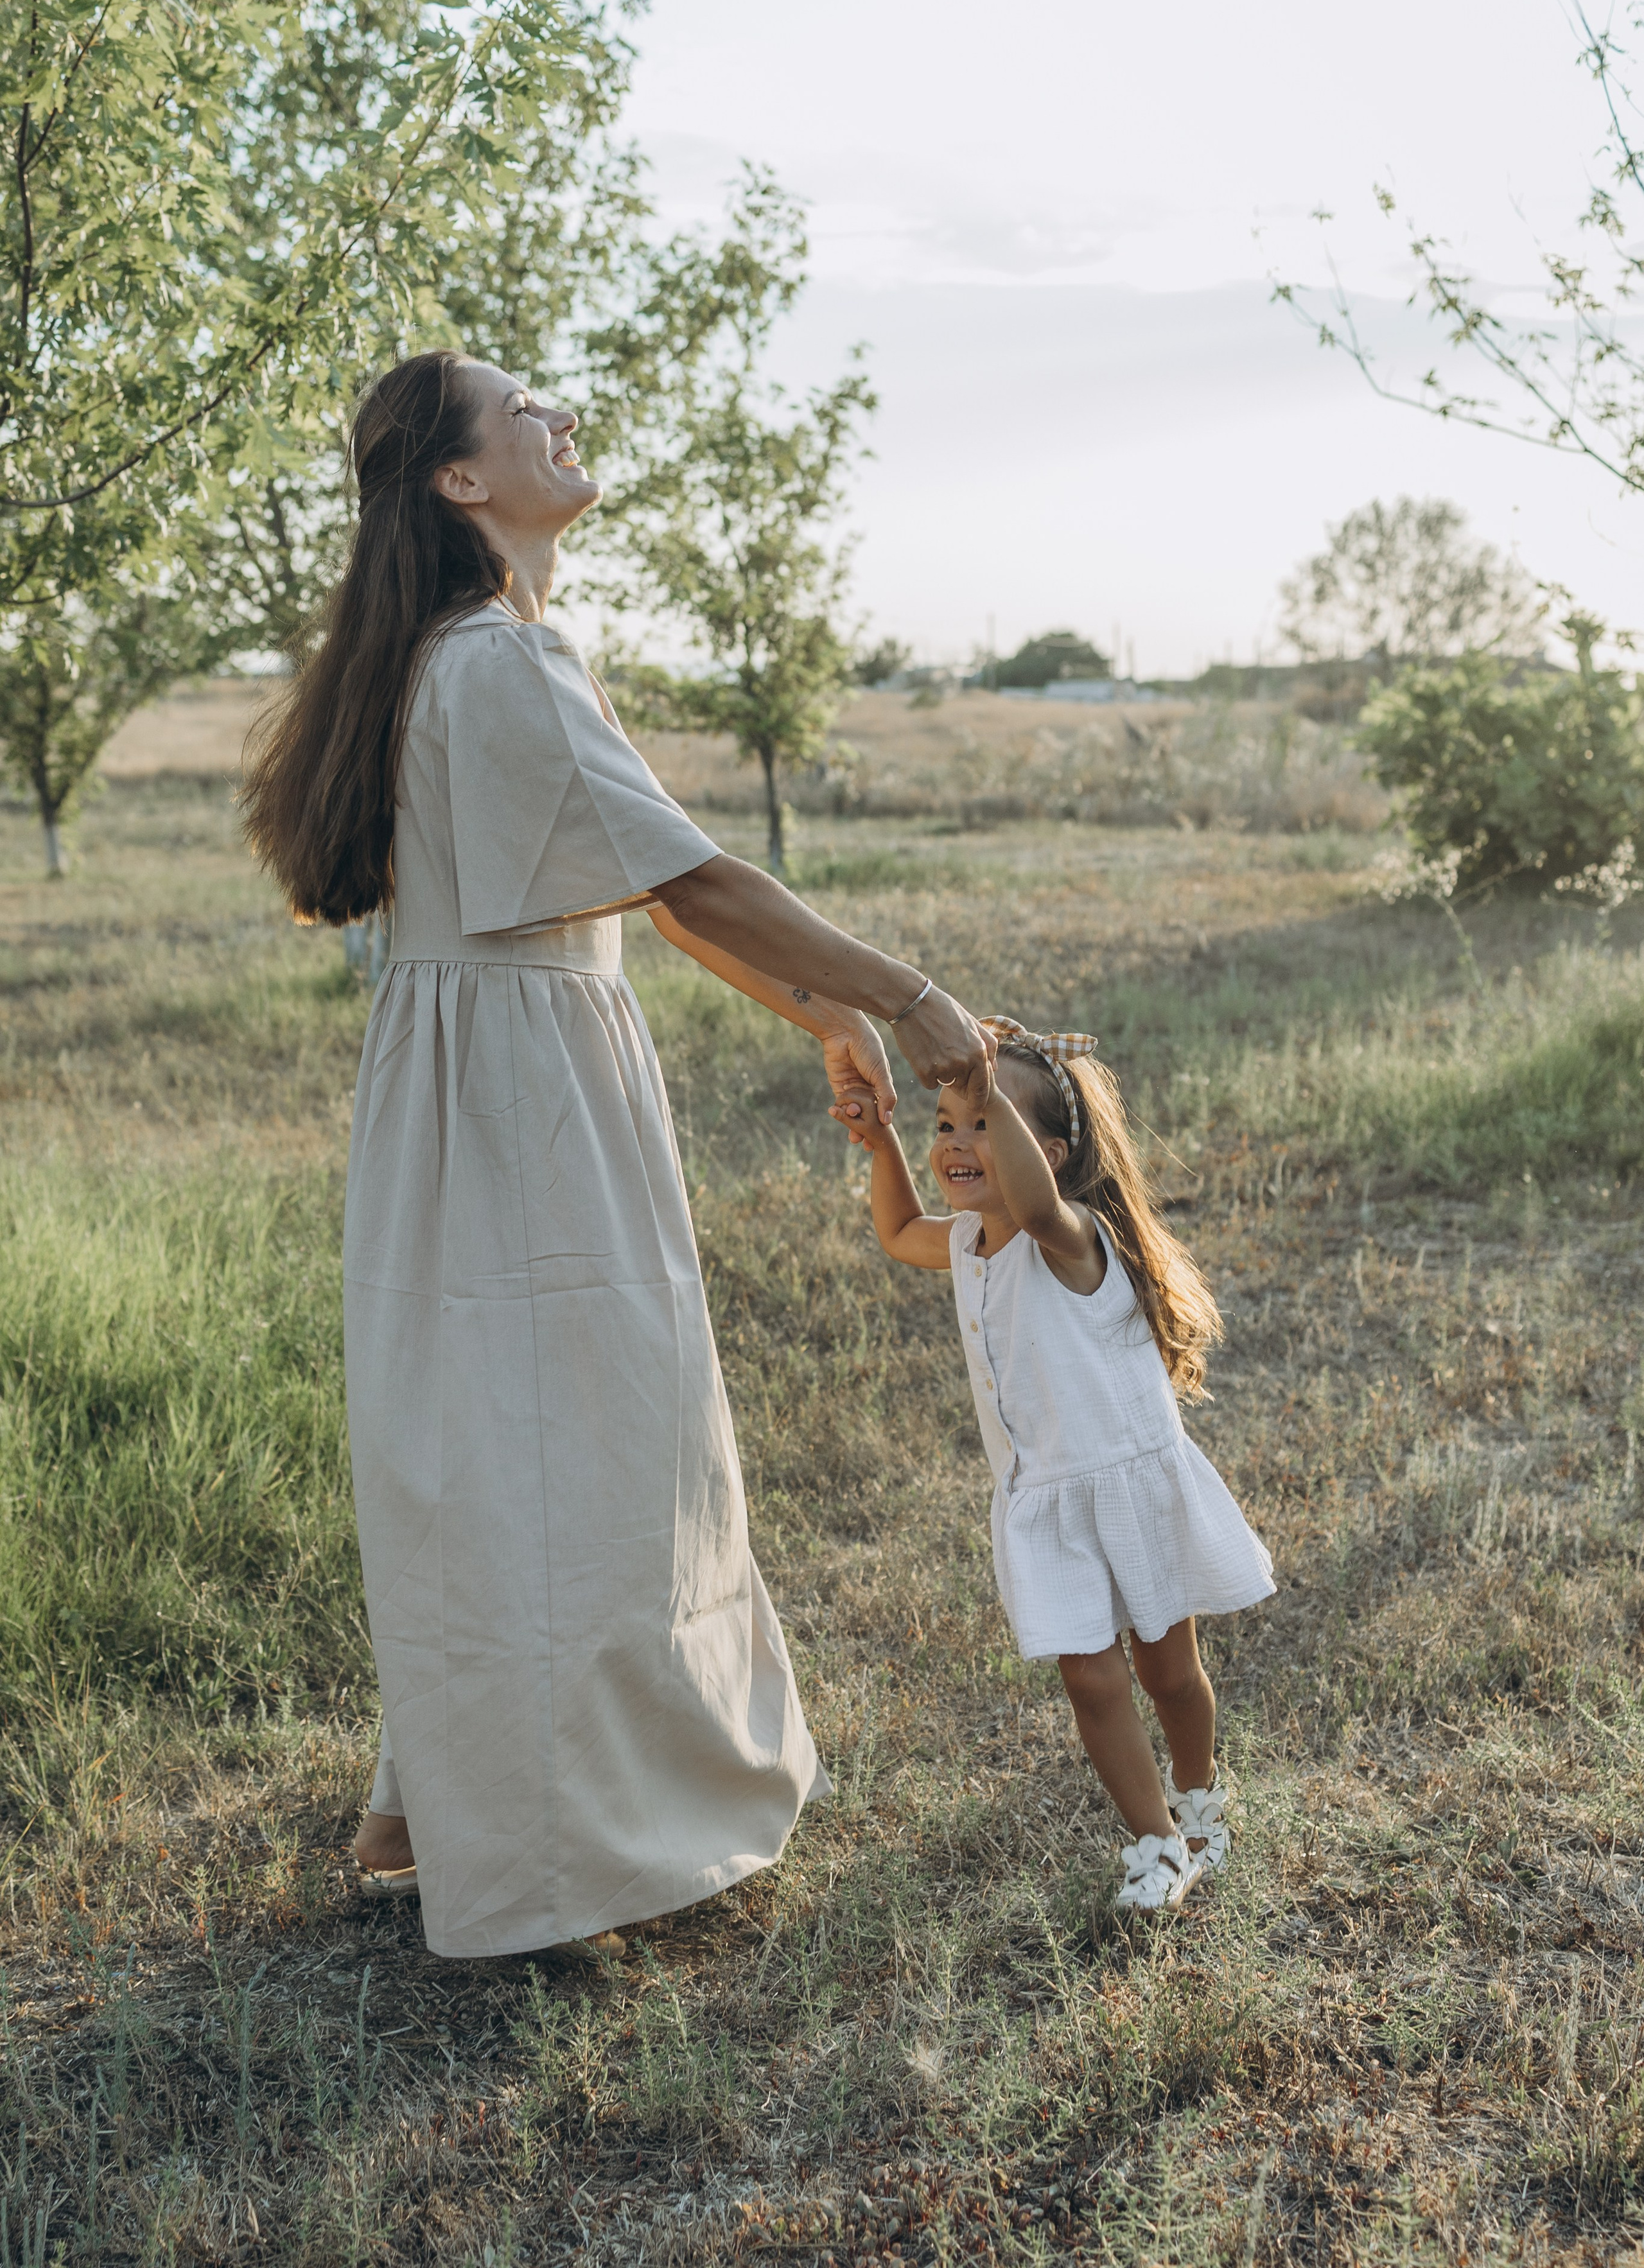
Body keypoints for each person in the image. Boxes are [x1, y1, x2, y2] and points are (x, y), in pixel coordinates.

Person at [240, 348, 993, 1958]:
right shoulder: (501, 659)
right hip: (519, 1089)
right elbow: (695, 876)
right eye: (525, 413)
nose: (561, 417)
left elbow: (633, 881)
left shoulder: (458, 652)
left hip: (476, 1078)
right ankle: (569, 1853)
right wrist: (905, 998)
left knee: (497, 1449)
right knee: (567, 1459)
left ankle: (437, 1805)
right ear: (458, 482)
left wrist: (814, 1015)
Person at [829, 1020, 1273, 1911]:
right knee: (1089, 1675)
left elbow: (1032, 1209)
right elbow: (898, 1230)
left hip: (1127, 1486)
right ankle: (1156, 1844)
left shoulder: (1072, 1240)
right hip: (1045, 1502)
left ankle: (1200, 1800)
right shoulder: (965, 1241)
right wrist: (880, 1140)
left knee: (1168, 1672)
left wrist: (985, 1081)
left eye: (984, 1123)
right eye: (948, 1122)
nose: (958, 1141)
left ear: (1053, 1152)